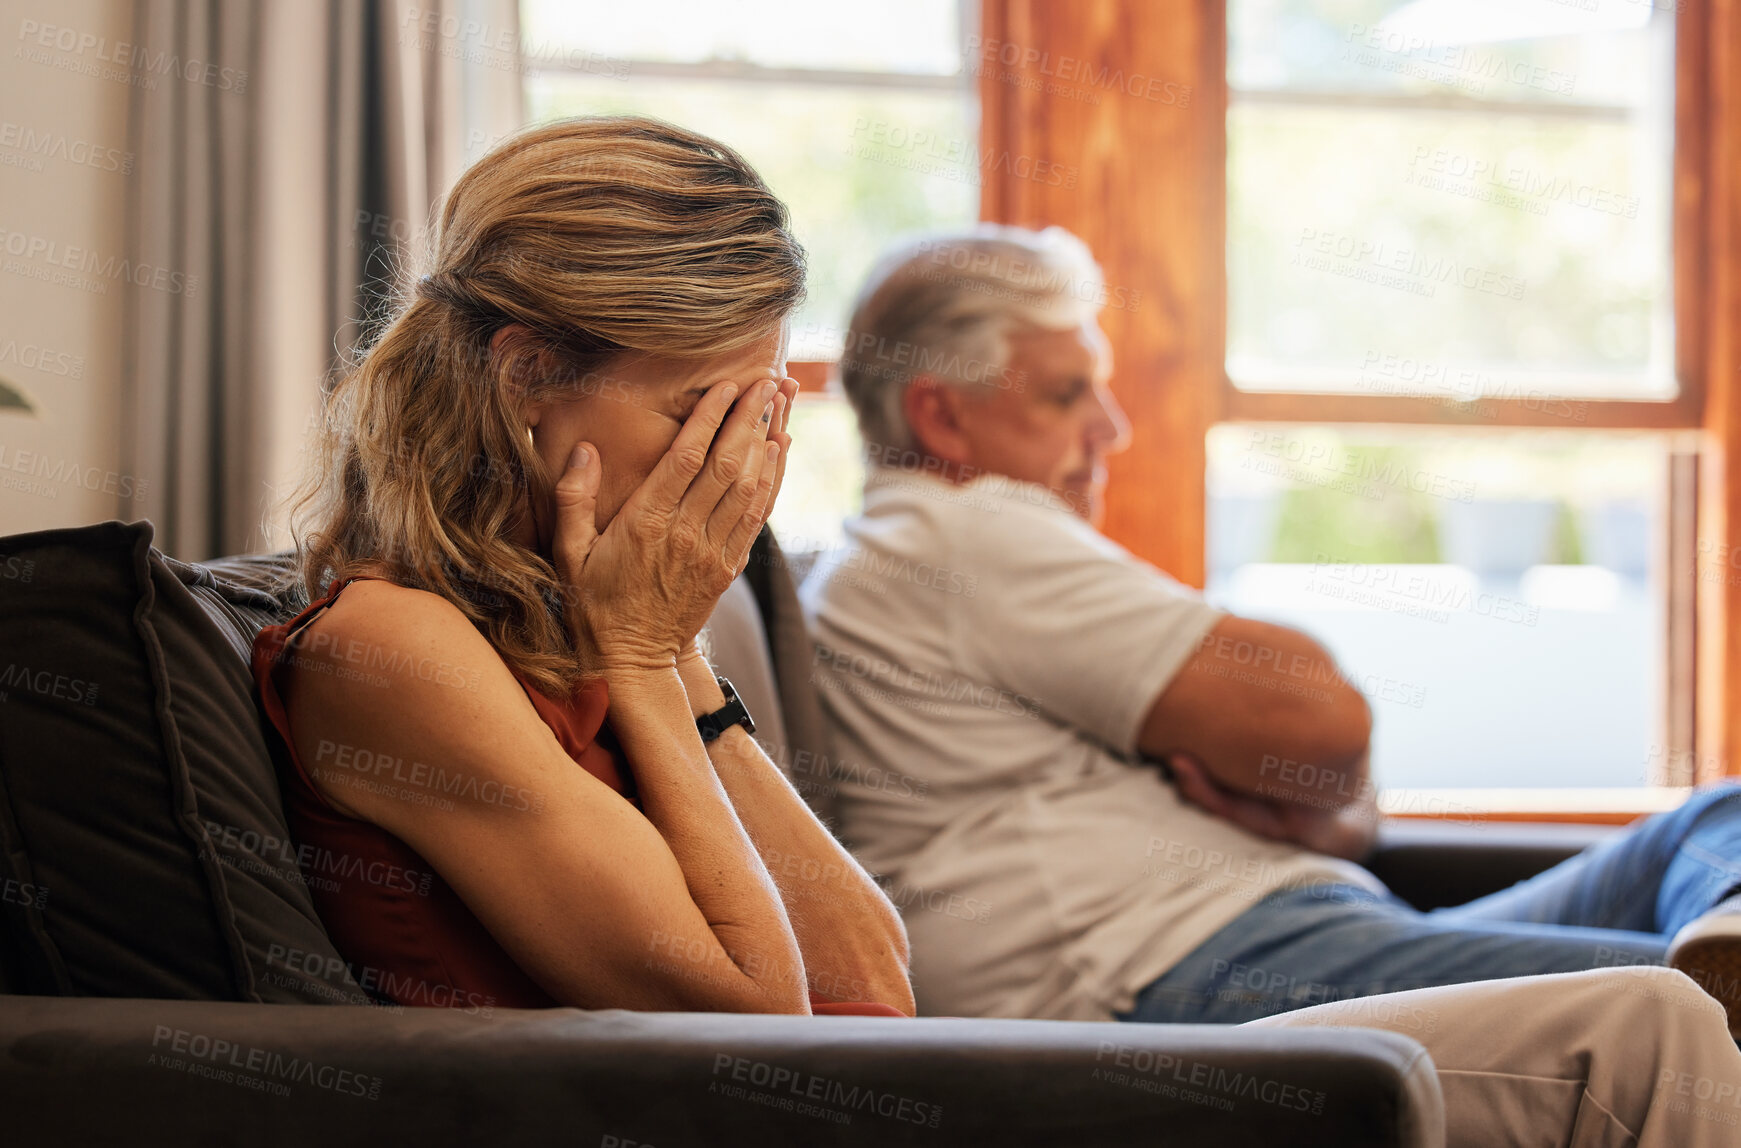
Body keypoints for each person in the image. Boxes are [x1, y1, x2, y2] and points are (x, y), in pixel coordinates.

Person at [257, 119, 1741, 1147]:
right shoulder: (396, 650)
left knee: (1662, 1017)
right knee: (1657, 1028)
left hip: (925, 1069)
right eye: (691, 411)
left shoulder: (587, 636)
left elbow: (868, 976)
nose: (737, 467)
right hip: (981, 1083)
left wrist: (674, 663)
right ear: (527, 378)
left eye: (757, 411)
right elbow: (752, 1030)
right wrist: (648, 654)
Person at [801, 222, 1741, 1035]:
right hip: (1176, 969)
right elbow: (1321, 723)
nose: (1112, 428)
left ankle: (1711, 981)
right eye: (1064, 394)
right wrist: (1320, 792)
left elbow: (1327, 782)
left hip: (1281, 926)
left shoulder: (939, 555)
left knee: (1716, 819)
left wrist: (1320, 810)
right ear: (941, 414)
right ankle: (1706, 1003)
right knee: (1679, 1004)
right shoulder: (954, 532)